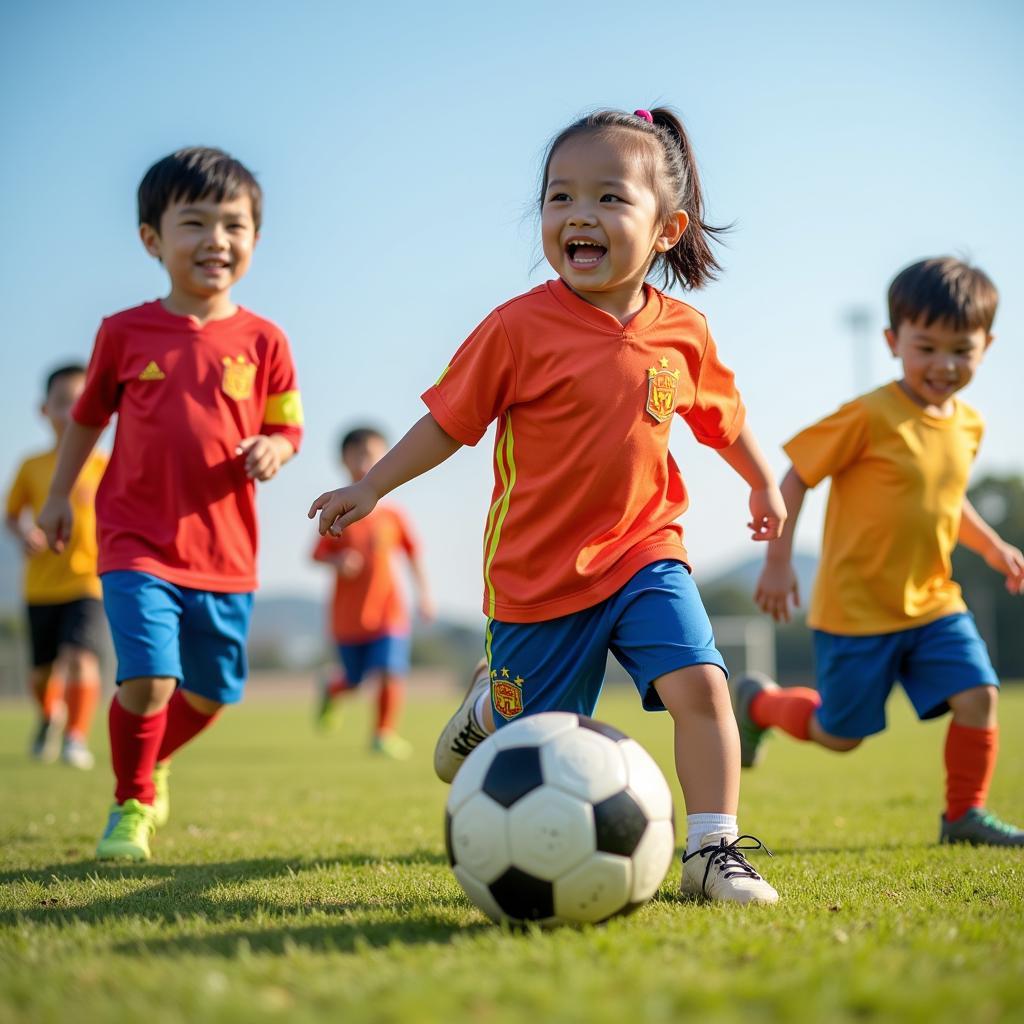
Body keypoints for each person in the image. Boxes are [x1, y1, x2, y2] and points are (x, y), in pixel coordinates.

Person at [311, 108, 785, 904]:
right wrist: (372, 487)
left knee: (701, 686)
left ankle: (712, 850)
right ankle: (490, 707)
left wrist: (761, 480)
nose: (578, 215)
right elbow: (447, 425)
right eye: (559, 198)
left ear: (667, 229)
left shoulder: (683, 332)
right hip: (536, 578)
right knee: (538, 739)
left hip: (646, 551)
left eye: (607, 197)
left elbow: (723, 420)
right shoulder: (516, 328)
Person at [38, 147, 303, 861]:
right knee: (151, 677)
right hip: (134, 541)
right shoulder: (122, 332)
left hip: (225, 551)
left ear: (254, 238)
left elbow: (287, 424)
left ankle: (151, 757)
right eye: (195, 223)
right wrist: (60, 495)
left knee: (213, 694)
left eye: (234, 224)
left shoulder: (266, 340)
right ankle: (131, 803)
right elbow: (87, 420)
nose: (216, 240)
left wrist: (276, 449)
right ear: (152, 239)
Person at [743, 257, 1024, 846]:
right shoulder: (869, 415)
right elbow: (797, 476)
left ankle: (963, 817)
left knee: (980, 694)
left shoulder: (969, 425)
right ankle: (760, 705)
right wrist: (776, 559)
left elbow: (945, 504)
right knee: (840, 735)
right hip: (856, 611)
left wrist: (994, 547)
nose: (944, 365)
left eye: (961, 350)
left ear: (986, 346)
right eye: (926, 348)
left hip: (933, 604)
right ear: (893, 342)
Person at [5, 364, 108, 769]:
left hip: (90, 580)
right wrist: (23, 532)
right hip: (41, 586)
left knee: (81, 655)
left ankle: (76, 738)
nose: (71, 412)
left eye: (80, 402)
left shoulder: (105, 464)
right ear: (43, 410)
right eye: (62, 403)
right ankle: (50, 716)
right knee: (42, 672)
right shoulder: (31, 466)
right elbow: (11, 514)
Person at [312, 426, 435, 758]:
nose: (366, 460)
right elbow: (317, 554)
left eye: (374, 453)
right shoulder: (340, 509)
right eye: (359, 453)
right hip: (349, 617)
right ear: (344, 460)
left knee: (391, 670)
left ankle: (383, 734)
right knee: (353, 680)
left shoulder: (394, 515)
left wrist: (423, 595)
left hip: (389, 612)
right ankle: (332, 687)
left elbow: (412, 555)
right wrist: (338, 561)